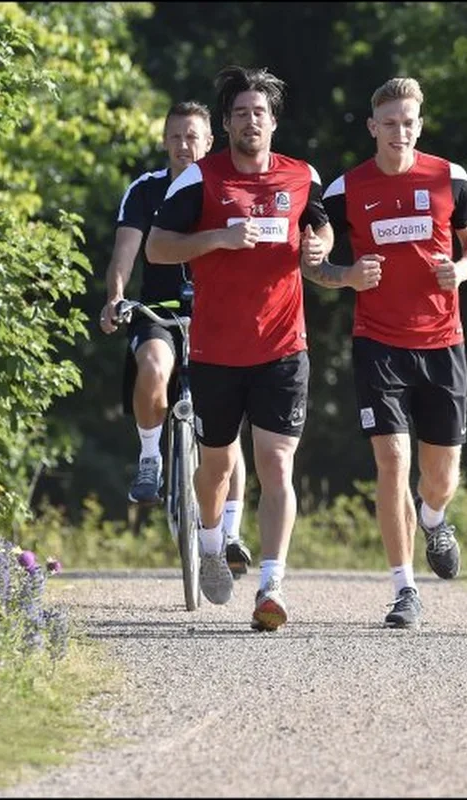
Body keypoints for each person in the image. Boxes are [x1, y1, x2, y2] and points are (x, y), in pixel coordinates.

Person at [146, 66, 333, 631]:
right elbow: (157, 248)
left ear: (273, 122)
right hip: (216, 349)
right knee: (219, 465)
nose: (251, 121)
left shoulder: (301, 176)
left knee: (277, 464)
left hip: (282, 345)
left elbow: (322, 228)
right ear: (225, 123)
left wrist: (317, 248)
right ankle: (208, 541)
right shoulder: (199, 180)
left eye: (260, 112)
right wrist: (217, 239)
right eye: (241, 113)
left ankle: (272, 586)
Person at [302, 77, 467, 628]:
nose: (399, 132)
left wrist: (463, 269)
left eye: (409, 122)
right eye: (389, 123)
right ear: (372, 127)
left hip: (442, 341)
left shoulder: (450, 177)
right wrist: (346, 275)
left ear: (419, 125)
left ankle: (434, 518)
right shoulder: (343, 189)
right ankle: (404, 589)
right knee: (392, 462)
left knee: (441, 475)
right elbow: (315, 264)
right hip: (378, 343)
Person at [99, 102, 254, 578]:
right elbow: (126, 250)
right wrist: (116, 297)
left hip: (218, 316)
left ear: (211, 142)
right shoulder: (146, 191)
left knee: (225, 432)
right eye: (175, 138)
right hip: (161, 314)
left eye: (193, 138)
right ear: (165, 142)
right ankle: (150, 456)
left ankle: (230, 532)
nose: (184, 146)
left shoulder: (227, 187)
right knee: (153, 369)